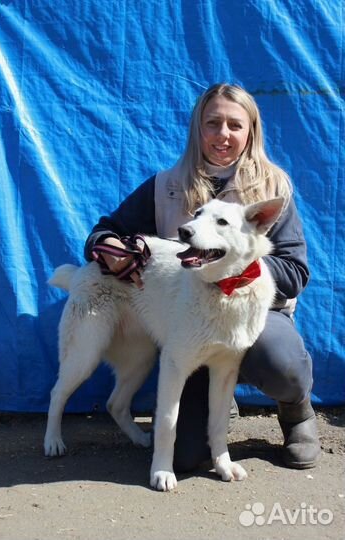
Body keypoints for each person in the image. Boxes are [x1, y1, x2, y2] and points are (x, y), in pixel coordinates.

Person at [84, 83, 321, 472]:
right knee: (187, 459)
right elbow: (105, 230)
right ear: (197, 128)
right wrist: (107, 248)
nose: (223, 134)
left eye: (234, 125)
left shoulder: (273, 189)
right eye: (213, 123)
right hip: (193, 322)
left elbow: (295, 272)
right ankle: (218, 402)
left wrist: (236, 267)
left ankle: (297, 413)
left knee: (281, 360)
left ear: (250, 132)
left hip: (255, 318)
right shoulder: (167, 185)